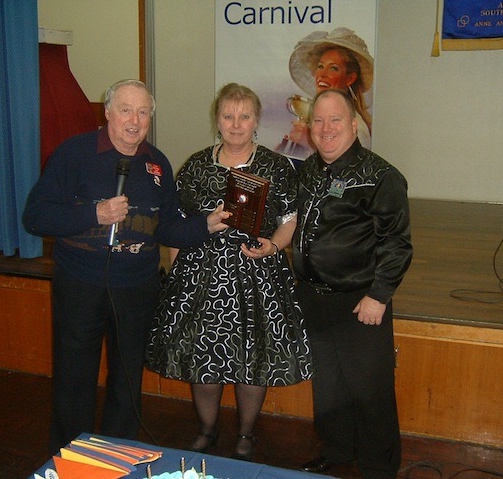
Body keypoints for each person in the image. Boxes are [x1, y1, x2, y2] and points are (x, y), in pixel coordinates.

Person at [22, 79, 230, 454]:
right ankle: (71, 459)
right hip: (80, 285)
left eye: (143, 112)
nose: (134, 120)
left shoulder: (157, 164)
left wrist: (206, 225)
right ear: (107, 112)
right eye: (125, 110)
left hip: (136, 288)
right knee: (74, 378)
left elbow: (166, 226)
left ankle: (117, 456)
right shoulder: (73, 154)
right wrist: (95, 213)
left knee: (126, 380)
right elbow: (36, 217)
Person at [146, 83, 312, 461]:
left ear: (256, 121)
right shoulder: (197, 165)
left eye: (244, 116)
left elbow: (290, 219)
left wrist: (273, 245)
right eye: (228, 116)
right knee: (203, 357)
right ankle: (207, 429)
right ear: (216, 120)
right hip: (201, 275)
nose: (236, 124)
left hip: (256, 273)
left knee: (250, 359)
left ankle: (246, 433)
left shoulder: (275, 165)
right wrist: (174, 269)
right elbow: (177, 222)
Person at [292, 89, 413, 478]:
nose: (326, 129)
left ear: (354, 124)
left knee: (370, 391)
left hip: (360, 302)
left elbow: (397, 244)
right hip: (315, 297)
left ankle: (379, 468)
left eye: (335, 121)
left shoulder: (381, 177)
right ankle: (338, 450)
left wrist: (378, 296)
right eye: (319, 121)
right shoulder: (310, 169)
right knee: (329, 387)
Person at [277, 27, 374, 159]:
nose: (322, 74)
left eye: (333, 68)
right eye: (320, 66)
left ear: (350, 78)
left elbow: (352, 173)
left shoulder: (357, 128)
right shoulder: (313, 120)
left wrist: (309, 143)